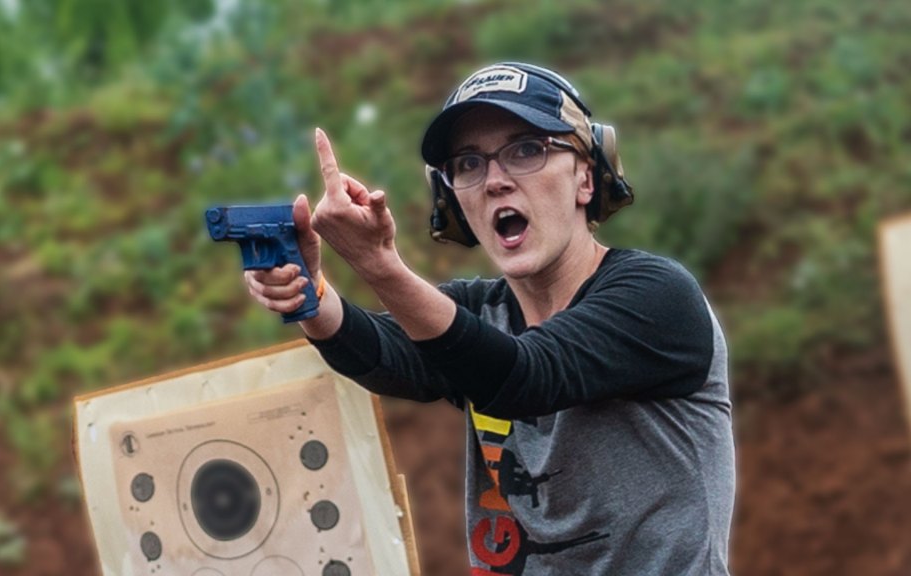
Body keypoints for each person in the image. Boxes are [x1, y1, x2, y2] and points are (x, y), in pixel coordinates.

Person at [243, 62, 735, 575]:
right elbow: (387, 353)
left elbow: (526, 375)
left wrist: (381, 268)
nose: (495, 180)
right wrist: (306, 291)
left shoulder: (657, 296)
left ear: (586, 177)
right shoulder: (484, 313)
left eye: (527, 150)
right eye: (469, 163)